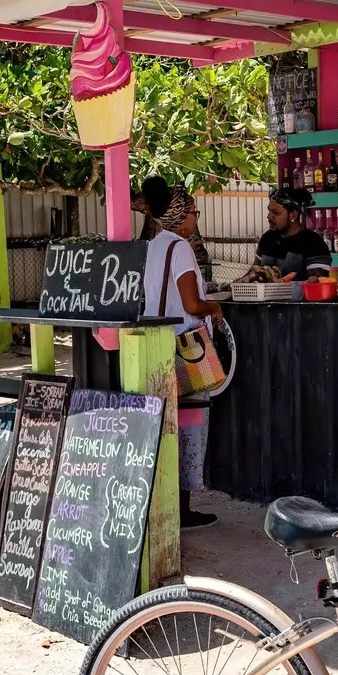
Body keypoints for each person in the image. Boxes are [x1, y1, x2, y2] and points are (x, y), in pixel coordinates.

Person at [139, 178, 227, 530]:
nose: (195, 218)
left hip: (155, 341)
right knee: (191, 423)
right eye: (193, 212)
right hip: (186, 346)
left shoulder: (155, 245)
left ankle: (167, 503)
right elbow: (191, 303)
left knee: (165, 425)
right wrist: (215, 309)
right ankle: (183, 508)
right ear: (180, 215)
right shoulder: (182, 248)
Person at [246, 186, 332, 281]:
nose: (269, 216)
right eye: (269, 211)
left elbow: (318, 283)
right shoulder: (267, 238)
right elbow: (252, 274)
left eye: (276, 212)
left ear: (293, 215)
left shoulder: (314, 243)